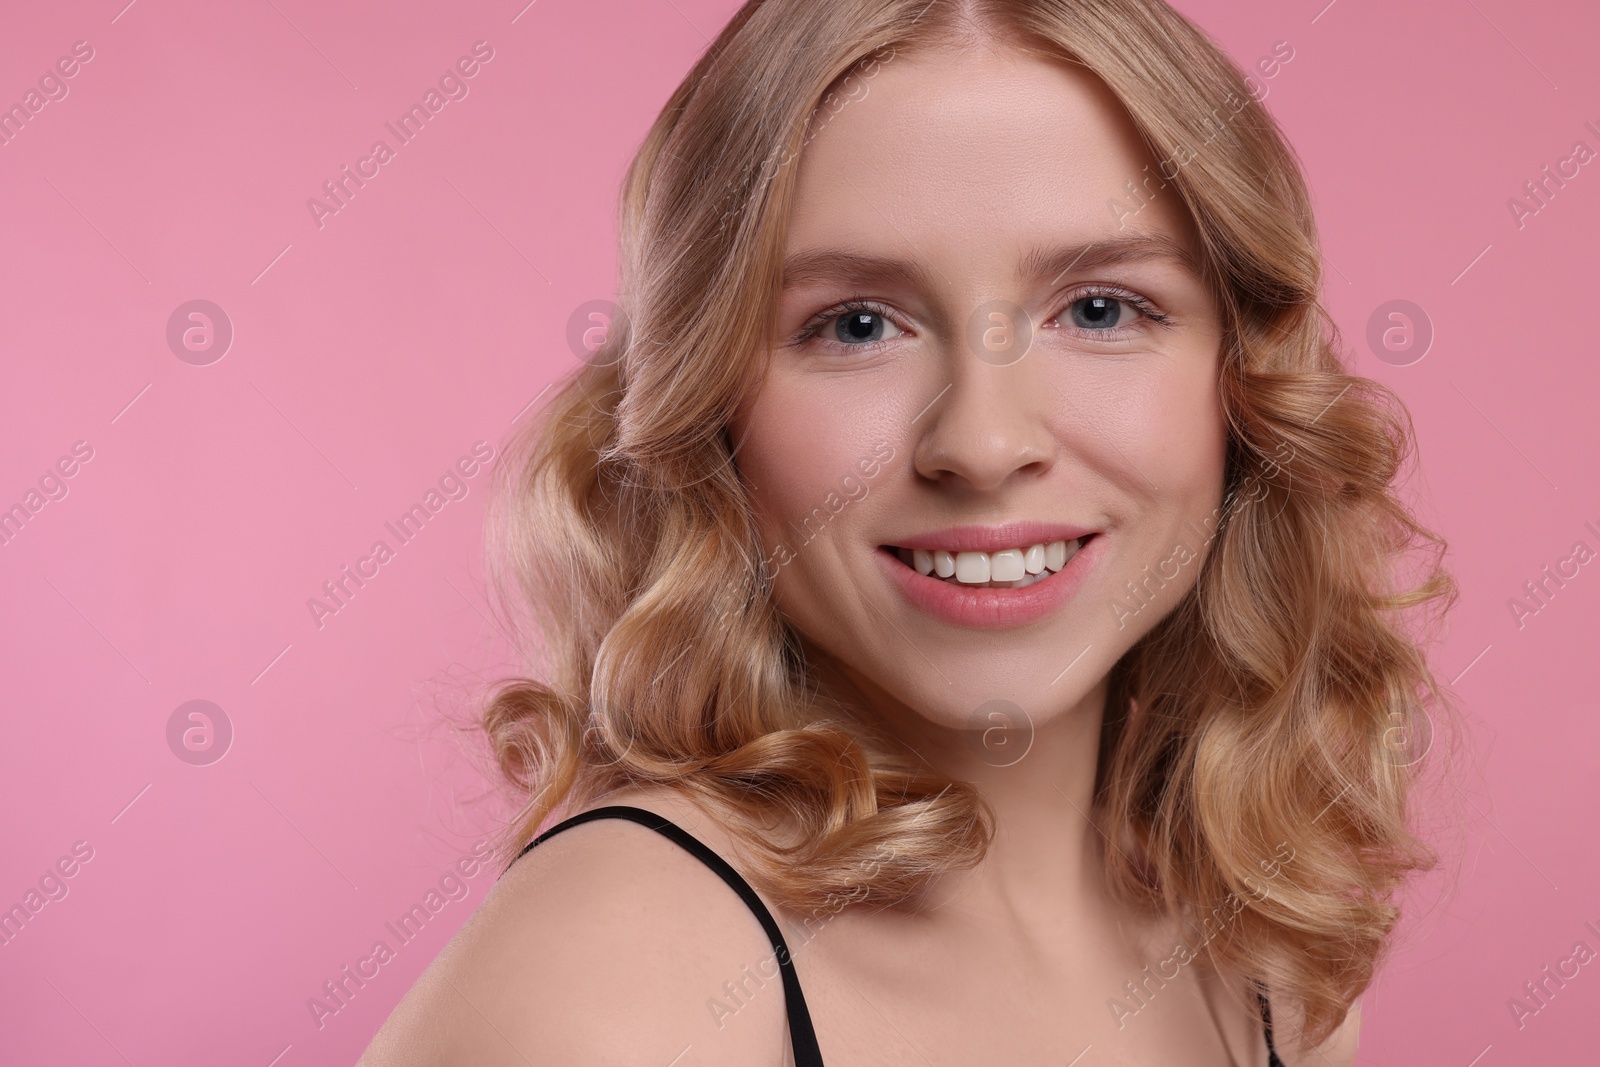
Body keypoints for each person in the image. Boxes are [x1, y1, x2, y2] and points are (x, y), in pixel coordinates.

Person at [360, 1, 1456, 1063]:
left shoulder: (1263, 955)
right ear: (709, 414)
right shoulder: (613, 992)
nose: (981, 441)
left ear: (1245, 377)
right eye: (856, 324)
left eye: (1099, 308)